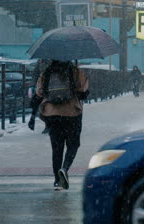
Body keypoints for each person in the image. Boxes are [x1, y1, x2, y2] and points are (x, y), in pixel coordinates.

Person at [36, 60, 89, 191]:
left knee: (57, 148)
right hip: (72, 113)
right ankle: (64, 168)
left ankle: (57, 181)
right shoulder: (74, 71)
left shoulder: (47, 72)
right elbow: (83, 88)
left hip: (52, 113)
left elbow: (39, 92)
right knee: (73, 144)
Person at [28, 59, 51, 133]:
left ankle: (50, 125)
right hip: (43, 85)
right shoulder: (40, 60)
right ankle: (33, 117)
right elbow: (35, 74)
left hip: (55, 85)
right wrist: (32, 86)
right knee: (35, 101)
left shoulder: (58, 59)